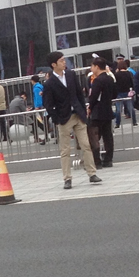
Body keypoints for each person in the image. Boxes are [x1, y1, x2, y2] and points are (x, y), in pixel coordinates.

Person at [42, 51, 102, 189]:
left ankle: (92, 173)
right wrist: (56, 119)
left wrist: (83, 110)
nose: (64, 62)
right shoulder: (49, 83)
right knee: (65, 150)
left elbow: (79, 94)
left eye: (64, 60)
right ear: (54, 64)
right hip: (64, 118)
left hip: (78, 114)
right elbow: (48, 104)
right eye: (61, 60)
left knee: (86, 145)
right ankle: (67, 178)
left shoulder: (71, 74)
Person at [87, 59, 117, 169]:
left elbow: (94, 96)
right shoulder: (110, 78)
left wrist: (90, 107)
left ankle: (96, 161)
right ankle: (108, 160)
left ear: (97, 67)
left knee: (94, 137)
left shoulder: (98, 80)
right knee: (108, 136)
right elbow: (115, 94)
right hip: (107, 110)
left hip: (97, 112)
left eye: (92, 66)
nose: (91, 69)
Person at [113, 60, 137, 128]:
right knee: (131, 108)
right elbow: (132, 83)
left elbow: (114, 84)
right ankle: (134, 122)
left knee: (118, 110)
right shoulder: (129, 73)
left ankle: (117, 123)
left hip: (119, 93)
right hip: (127, 93)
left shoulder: (116, 74)